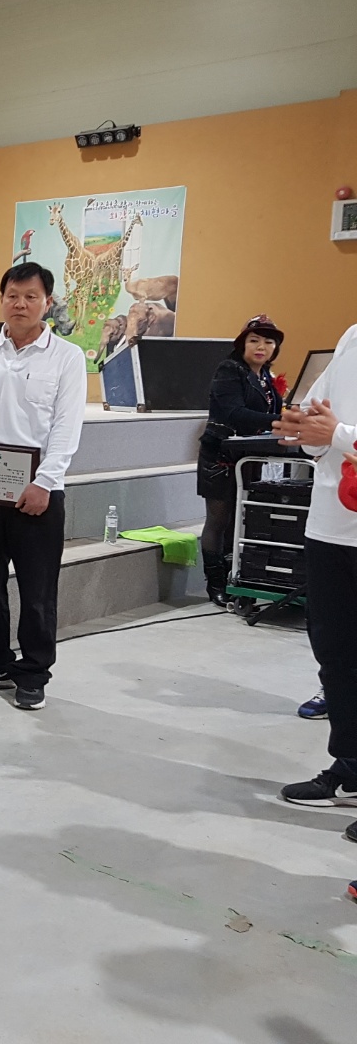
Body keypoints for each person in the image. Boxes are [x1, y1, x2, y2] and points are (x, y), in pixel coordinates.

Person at [0, 261, 87, 712]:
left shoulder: (67, 358)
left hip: (37, 496)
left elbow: (66, 428)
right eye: (12, 296)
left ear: (48, 302)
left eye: (30, 296)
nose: (20, 304)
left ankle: (33, 673)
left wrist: (45, 482)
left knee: (37, 591)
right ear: (1, 300)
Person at [275, 324, 357, 885]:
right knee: (335, 655)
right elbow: (316, 422)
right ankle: (349, 768)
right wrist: (301, 429)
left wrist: (340, 433)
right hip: (330, 523)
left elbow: (336, 429)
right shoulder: (352, 338)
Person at [196, 315, 285, 608]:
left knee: (240, 519)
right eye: (254, 340)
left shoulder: (266, 377)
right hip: (220, 455)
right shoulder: (229, 370)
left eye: (269, 342)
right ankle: (216, 584)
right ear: (242, 344)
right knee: (218, 520)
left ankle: (237, 579)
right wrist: (280, 420)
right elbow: (233, 413)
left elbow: (268, 414)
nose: (261, 346)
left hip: (250, 456)